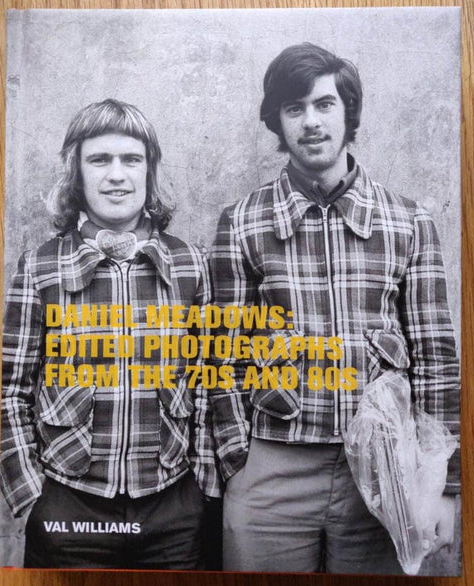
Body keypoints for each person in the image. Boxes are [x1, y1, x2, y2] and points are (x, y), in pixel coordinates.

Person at [209, 43, 460, 573]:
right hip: (272, 465)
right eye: (294, 108)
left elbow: (437, 357)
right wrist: (237, 460)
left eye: (324, 104)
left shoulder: (409, 222)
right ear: (278, 121)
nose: (311, 122)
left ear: (349, 112)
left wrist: (444, 484)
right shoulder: (241, 223)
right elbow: (220, 355)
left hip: (386, 466)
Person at [1, 99, 220, 569]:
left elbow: (208, 379)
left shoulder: (189, 264)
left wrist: (203, 490)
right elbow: (9, 388)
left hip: (171, 508)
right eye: (100, 160)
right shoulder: (40, 268)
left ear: (149, 172)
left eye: (131, 160)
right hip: (71, 508)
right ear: (76, 174)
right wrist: (31, 496)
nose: (116, 175)